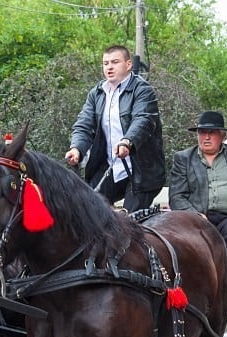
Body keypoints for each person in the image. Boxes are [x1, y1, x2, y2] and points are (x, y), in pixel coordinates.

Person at [168, 111, 227, 301]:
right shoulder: (183, 158)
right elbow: (176, 197)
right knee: (195, 237)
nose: (205, 137)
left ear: (222, 135)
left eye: (211, 133)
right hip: (198, 219)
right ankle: (198, 286)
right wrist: (193, 214)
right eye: (202, 132)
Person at [65, 44, 166, 212]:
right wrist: (77, 148)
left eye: (115, 62)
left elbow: (143, 120)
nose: (109, 67)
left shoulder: (143, 90)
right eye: (105, 63)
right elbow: (84, 125)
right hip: (111, 167)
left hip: (142, 171)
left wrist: (128, 142)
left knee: (130, 222)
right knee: (87, 211)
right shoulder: (96, 93)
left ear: (128, 65)